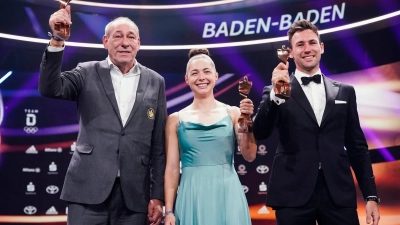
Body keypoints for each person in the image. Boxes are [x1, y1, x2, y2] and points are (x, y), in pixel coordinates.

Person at [39, 5, 166, 225]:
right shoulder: (86, 71)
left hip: (135, 196)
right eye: (117, 36)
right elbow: (51, 88)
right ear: (105, 42)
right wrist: (57, 41)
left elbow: (158, 146)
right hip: (87, 191)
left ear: (139, 43)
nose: (125, 42)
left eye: (131, 37)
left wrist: (157, 195)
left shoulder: (156, 81)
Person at [253, 19, 380, 225]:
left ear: (321, 47)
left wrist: (371, 196)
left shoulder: (345, 91)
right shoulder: (276, 91)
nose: (307, 49)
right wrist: (278, 93)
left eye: (312, 42)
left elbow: (357, 147)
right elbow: (260, 132)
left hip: (337, 193)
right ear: (291, 53)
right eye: (300, 45)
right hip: (293, 194)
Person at [163, 49, 257, 225]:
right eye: (195, 73)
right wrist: (168, 211)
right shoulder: (175, 120)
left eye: (206, 71)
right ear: (186, 79)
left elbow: (249, 155)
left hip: (227, 193)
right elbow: (172, 169)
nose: (201, 77)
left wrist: (247, 120)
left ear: (216, 76)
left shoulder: (234, 113)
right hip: (192, 194)